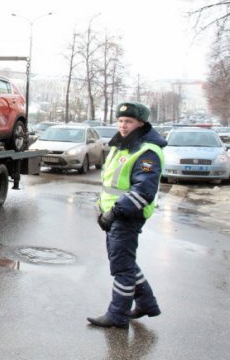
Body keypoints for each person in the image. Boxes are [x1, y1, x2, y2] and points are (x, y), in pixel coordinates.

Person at [87, 102, 166, 329]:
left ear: (141, 123)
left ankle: (117, 315)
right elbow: (110, 183)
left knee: (121, 267)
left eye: (128, 121)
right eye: (120, 121)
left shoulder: (147, 152)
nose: (123, 125)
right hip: (114, 213)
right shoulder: (122, 146)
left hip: (126, 215)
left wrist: (114, 212)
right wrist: (101, 208)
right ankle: (146, 304)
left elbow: (143, 191)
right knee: (125, 263)